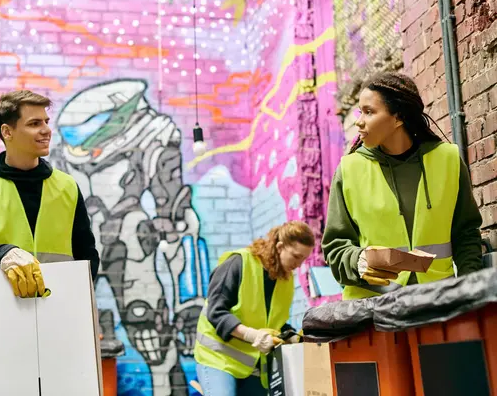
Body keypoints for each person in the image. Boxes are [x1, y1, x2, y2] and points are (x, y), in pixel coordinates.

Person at [0, 90, 100, 395]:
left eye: (46, 121)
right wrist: (5, 253)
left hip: (60, 330)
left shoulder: (67, 187)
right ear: (7, 131)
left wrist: (76, 311)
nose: (46, 129)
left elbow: (88, 258)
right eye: (34, 123)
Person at [322, 72, 483, 300]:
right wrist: (359, 260)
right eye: (360, 112)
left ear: (398, 118)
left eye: (369, 112)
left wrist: (470, 291)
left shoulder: (448, 160)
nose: (359, 121)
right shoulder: (349, 169)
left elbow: (466, 234)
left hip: (438, 302)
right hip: (374, 309)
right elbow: (335, 247)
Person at [194, 221, 315, 395]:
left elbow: (274, 322)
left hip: (252, 366)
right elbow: (216, 313)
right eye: (296, 256)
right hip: (218, 359)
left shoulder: (285, 280)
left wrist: (293, 338)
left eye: (303, 259)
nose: (299, 264)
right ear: (280, 247)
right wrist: (252, 335)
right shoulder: (238, 263)